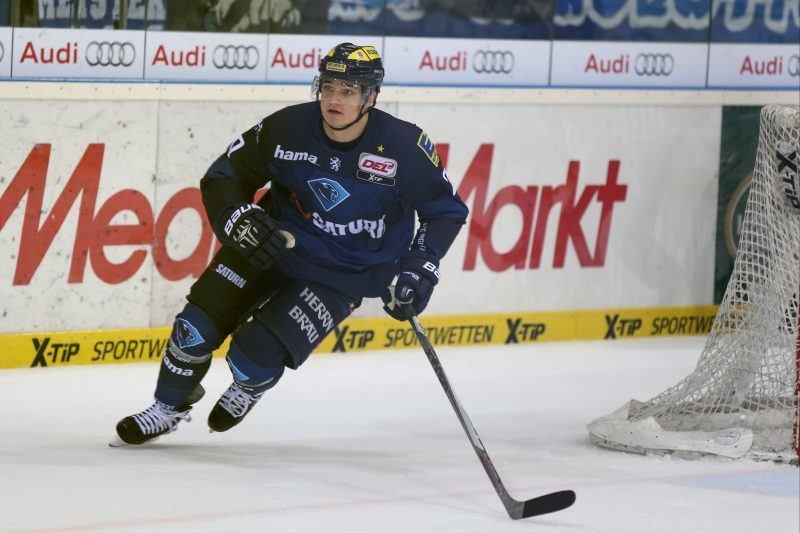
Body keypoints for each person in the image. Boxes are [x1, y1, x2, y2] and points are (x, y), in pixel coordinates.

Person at [113, 43, 469, 445]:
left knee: (252, 355)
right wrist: (236, 217)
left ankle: (249, 385)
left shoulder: (404, 148)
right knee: (193, 330)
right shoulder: (286, 127)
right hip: (272, 245)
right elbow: (225, 174)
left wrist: (421, 265)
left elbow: (445, 212)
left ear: (371, 96)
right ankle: (167, 407)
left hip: (345, 274)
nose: (334, 99)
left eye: (348, 90)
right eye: (328, 86)